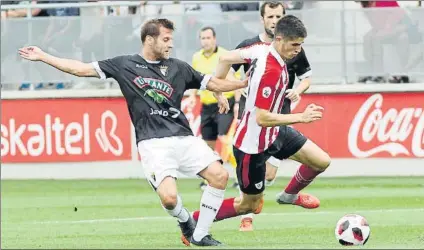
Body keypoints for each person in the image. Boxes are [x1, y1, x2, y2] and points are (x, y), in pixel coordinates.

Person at [18, 18, 248, 247]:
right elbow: (80, 69)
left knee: (220, 176)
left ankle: (200, 235)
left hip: (183, 137)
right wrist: (43, 56)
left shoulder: (179, 67)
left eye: (171, 40)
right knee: (169, 199)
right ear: (149, 39)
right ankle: (185, 220)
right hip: (152, 143)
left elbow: (215, 83)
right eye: (166, 39)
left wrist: (244, 83)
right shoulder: (124, 65)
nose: (171, 45)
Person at [188, 15, 331, 235]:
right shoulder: (270, 71)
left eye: (301, 45)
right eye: (295, 45)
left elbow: (225, 58)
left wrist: (218, 91)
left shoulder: (260, 48)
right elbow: (262, 118)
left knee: (321, 161)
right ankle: (193, 221)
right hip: (251, 147)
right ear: (280, 39)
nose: (298, 50)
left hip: (276, 133)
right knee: (249, 206)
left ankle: (289, 196)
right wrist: (301, 117)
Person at [230, 1, 316, 232]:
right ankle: (247, 214)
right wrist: (236, 91)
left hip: (281, 118)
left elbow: (307, 77)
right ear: (262, 19)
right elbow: (231, 73)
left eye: (279, 15)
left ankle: (262, 200)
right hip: (255, 117)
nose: (274, 20)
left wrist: (298, 90)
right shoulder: (250, 46)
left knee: (270, 171)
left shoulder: (294, 46)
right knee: (253, 164)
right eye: (270, 16)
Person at [188, 26, 239, 190]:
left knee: (225, 140)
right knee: (208, 144)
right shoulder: (196, 57)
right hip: (206, 105)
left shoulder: (225, 55)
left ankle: (239, 176)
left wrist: (237, 103)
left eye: (208, 38)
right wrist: (191, 96)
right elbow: (195, 78)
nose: (206, 41)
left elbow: (235, 80)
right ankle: (210, 178)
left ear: (214, 39)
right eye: (203, 38)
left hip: (225, 104)